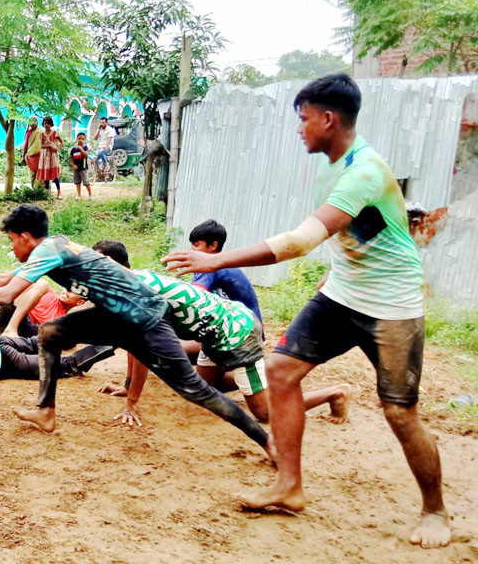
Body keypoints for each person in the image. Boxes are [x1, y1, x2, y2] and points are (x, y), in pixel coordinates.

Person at [163, 73, 450, 548]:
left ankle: (435, 511)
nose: (300, 128)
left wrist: (215, 259)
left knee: (400, 414)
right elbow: (354, 238)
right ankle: (289, 485)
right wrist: (329, 281)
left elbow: (299, 241)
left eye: (304, 119)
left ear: (328, 119)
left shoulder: (364, 171)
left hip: (392, 305)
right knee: (279, 372)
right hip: (342, 294)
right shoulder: (331, 165)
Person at [0, 205, 273, 463]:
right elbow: (11, 282)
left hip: (144, 318)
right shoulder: (54, 247)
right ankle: (45, 410)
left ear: (26, 237)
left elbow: (6, 295)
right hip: (117, 316)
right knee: (51, 332)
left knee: (196, 391)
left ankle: (266, 441)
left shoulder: (49, 249)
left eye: (13, 241)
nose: (13, 248)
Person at [93, 239, 350, 425]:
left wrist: (132, 403)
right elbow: (135, 345)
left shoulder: (135, 291)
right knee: (204, 387)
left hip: (235, 331)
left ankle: (332, 393)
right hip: (213, 333)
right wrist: (129, 388)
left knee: (263, 413)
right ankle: (263, 374)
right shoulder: (130, 283)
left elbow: (141, 349)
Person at [188, 219, 262, 324]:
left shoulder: (210, 266)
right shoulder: (223, 264)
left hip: (242, 331)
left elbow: (192, 298)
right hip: (250, 327)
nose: (192, 250)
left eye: (196, 245)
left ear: (213, 246)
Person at [36, 116, 62, 198]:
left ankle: (59, 192)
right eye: (45, 123)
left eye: (48, 123)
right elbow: (42, 145)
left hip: (53, 155)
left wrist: (56, 148)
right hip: (45, 156)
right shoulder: (42, 134)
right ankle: (48, 193)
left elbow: (62, 143)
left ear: (51, 124)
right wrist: (50, 145)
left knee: (55, 175)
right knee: (46, 174)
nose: (46, 125)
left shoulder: (55, 133)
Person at [21, 116, 43, 187]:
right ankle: (33, 189)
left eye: (34, 121)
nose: (33, 123)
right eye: (31, 122)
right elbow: (26, 145)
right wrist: (23, 156)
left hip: (41, 156)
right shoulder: (28, 133)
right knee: (32, 175)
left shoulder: (42, 131)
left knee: (41, 174)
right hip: (31, 156)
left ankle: (41, 190)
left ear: (37, 122)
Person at [70, 132, 92, 199]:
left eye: (82, 139)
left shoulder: (85, 147)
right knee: (77, 182)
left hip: (83, 168)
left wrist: (80, 148)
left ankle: (90, 195)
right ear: (76, 139)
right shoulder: (73, 149)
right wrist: (73, 165)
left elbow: (86, 155)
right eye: (79, 138)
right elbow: (71, 158)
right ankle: (79, 195)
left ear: (84, 140)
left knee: (86, 182)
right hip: (76, 169)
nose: (80, 140)